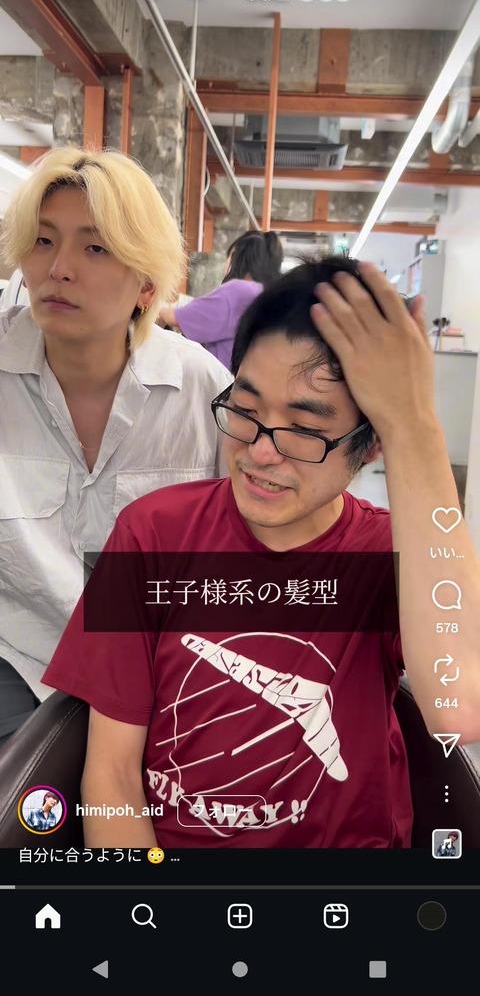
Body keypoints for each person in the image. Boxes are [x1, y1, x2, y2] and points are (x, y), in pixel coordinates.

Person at [43, 255, 480, 849]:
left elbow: (459, 707)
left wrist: (414, 424)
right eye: (245, 412)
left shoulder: (387, 556)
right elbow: (112, 777)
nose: (260, 452)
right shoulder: (153, 534)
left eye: (304, 430)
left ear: (371, 442)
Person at [0, 145, 232, 745]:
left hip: (161, 671)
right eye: (43, 241)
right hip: (17, 659)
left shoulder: (204, 390)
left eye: (95, 248)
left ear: (146, 285)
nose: (59, 269)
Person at [158, 229, 283, 369]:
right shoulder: (268, 295)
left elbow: (175, 318)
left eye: (230, 255)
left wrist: (154, 311)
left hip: (224, 379)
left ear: (238, 257)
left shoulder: (240, 291)